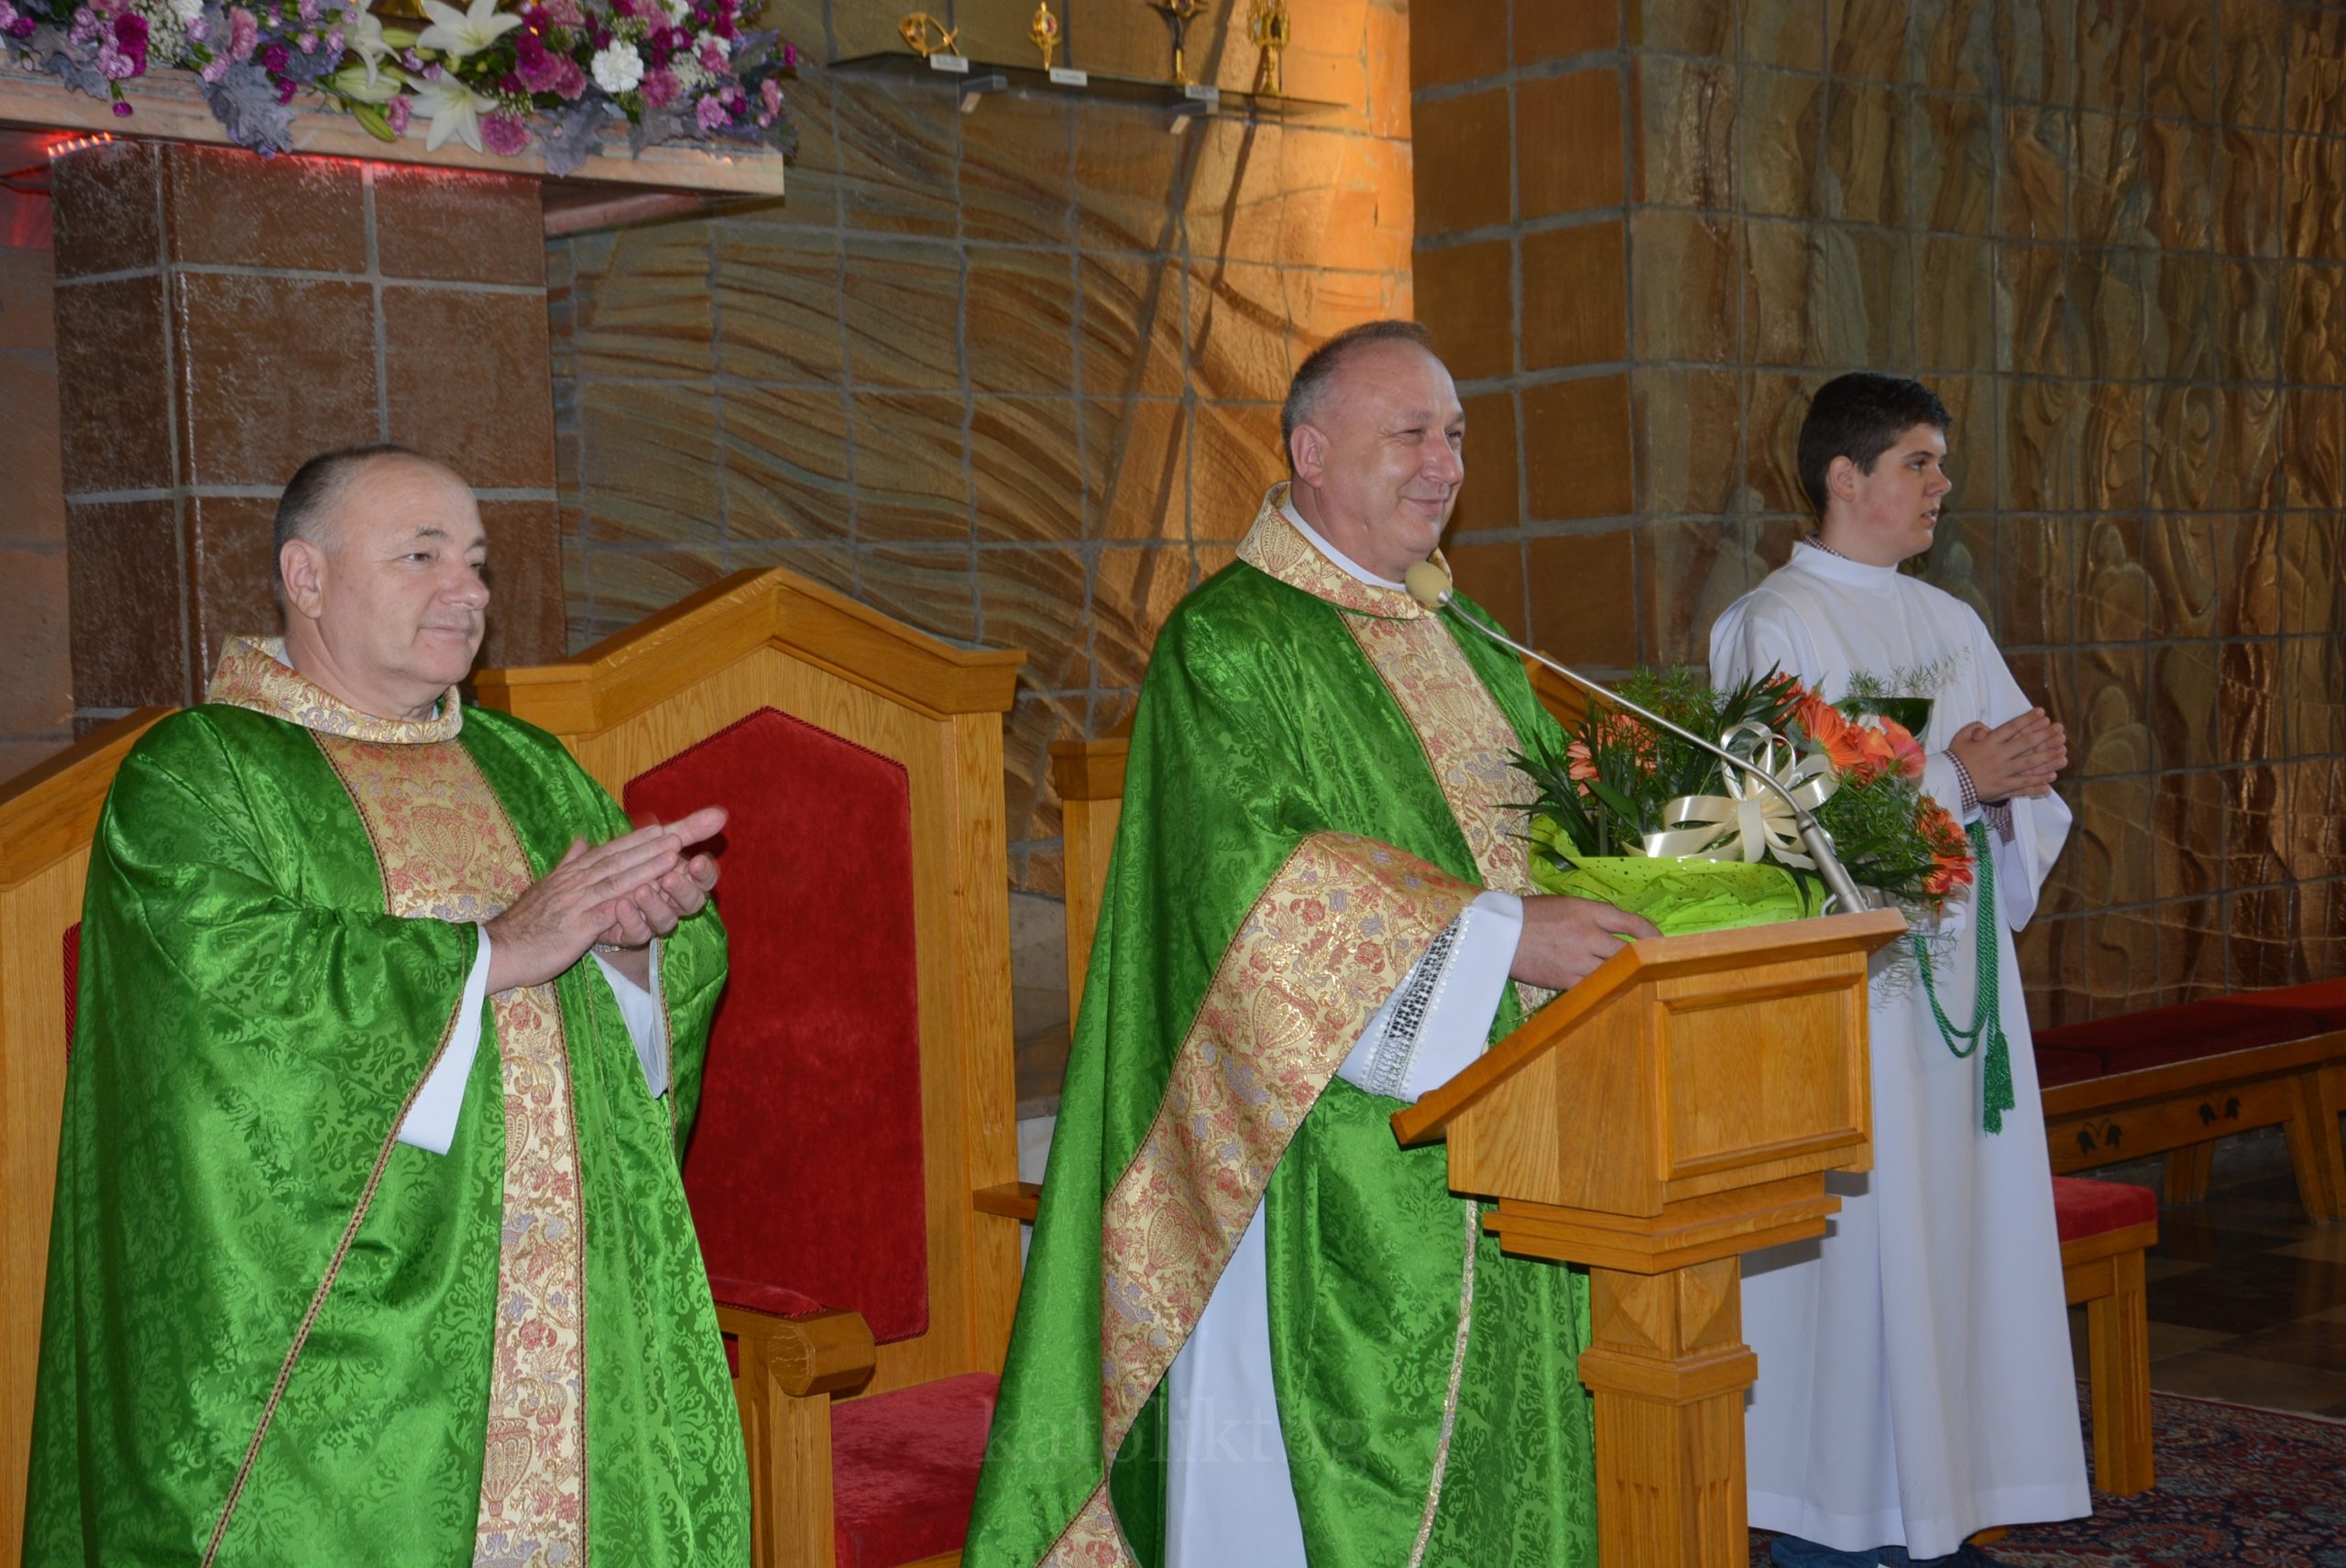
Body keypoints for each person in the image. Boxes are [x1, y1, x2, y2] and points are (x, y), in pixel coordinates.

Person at [966, 321, 1655, 1568]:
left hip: (1514, 1117)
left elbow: (1540, 838)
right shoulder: (1230, 639)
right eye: (1412, 433)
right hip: (1315, 1143)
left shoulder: (1466, 633)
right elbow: (1246, 886)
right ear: (1312, 452)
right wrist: (1505, 940)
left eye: (1456, 435)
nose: (1445, 463)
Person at [25, 445, 747, 1567]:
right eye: (421, 557)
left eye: (477, 562)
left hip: (567, 1319)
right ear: (305, 577)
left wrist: (635, 944)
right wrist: (495, 949)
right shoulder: (200, 774)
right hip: (340, 1358)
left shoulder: (530, 767)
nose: (466, 591)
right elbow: (232, 1000)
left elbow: (650, 1006)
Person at [1709, 374, 2086, 1567]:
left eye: (1939, 462)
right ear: (1845, 475)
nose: (1940, 484)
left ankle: (1936, 1510)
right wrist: (1959, 777)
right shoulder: (1773, 625)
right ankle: (1835, 1529)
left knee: (1954, 1248)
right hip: (1854, 1003)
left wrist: (2020, 777)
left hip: (1959, 1002)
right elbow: (1770, 823)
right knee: (1862, 1257)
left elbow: (2015, 795)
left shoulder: (1949, 622)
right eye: (1919, 461)